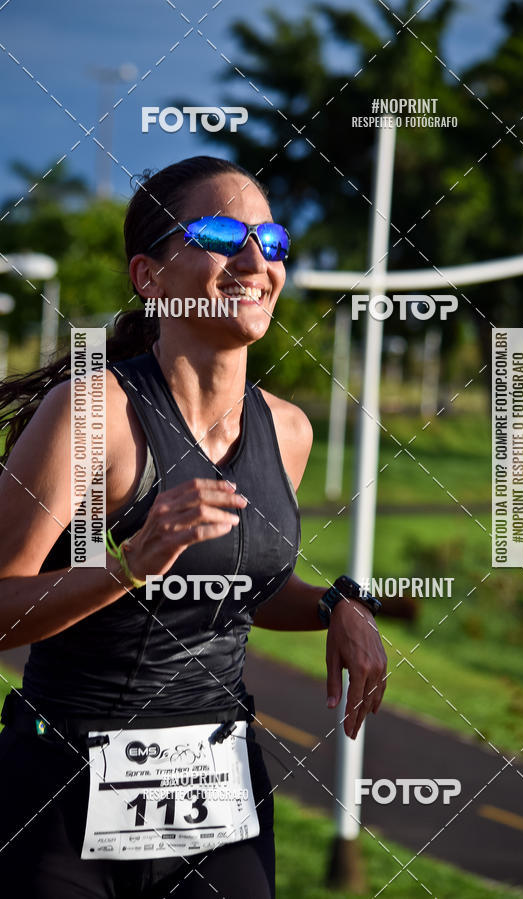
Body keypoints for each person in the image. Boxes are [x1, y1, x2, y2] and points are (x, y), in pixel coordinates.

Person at [0, 155, 387, 898]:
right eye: (219, 234)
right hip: (65, 788)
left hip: (216, 785)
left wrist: (336, 605)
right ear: (150, 277)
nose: (255, 260)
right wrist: (126, 566)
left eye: (272, 241)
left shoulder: (289, 430)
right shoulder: (93, 415)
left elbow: (240, 585)